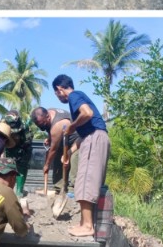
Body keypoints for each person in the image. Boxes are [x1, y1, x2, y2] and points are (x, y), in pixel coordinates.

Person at [51, 75, 109, 237]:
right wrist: (69, 152)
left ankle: (88, 226)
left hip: (95, 139)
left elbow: (87, 113)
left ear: (59, 89)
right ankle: (84, 223)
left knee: (86, 181)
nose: (58, 96)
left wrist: (72, 126)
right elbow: (84, 135)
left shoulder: (74, 96)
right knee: (83, 180)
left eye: (56, 93)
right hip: (91, 138)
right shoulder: (78, 99)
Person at [31, 105, 81, 207]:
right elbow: (50, 129)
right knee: (58, 164)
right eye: (38, 125)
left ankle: (72, 192)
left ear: (47, 117)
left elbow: (52, 150)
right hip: (62, 140)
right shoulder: (48, 113)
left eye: (43, 124)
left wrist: (46, 165)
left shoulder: (58, 124)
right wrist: (50, 138)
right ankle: (59, 190)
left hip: (77, 141)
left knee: (73, 162)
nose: (41, 127)